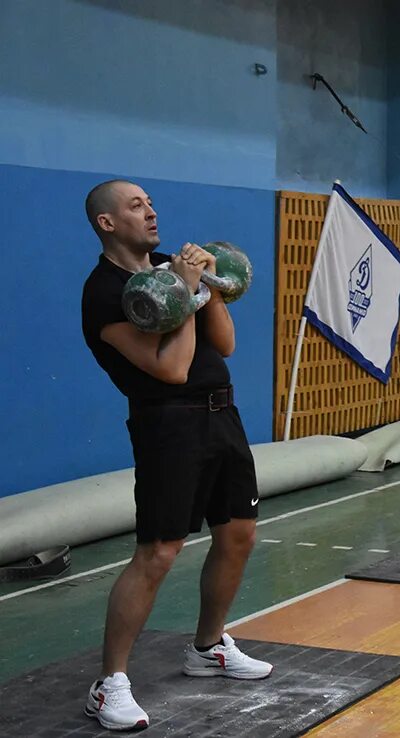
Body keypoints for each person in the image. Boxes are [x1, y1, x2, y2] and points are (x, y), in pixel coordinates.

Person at [81, 180, 271, 731]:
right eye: (136, 206)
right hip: (169, 424)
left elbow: (226, 344)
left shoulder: (169, 266)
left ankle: (207, 648)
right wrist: (183, 292)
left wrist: (205, 282)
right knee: (159, 552)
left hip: (223, 415)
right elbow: (171, 368)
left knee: (239, 534)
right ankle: (108, 683)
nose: (152, 212)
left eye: (151, 203)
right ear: (107, 223)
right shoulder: (104, 292)